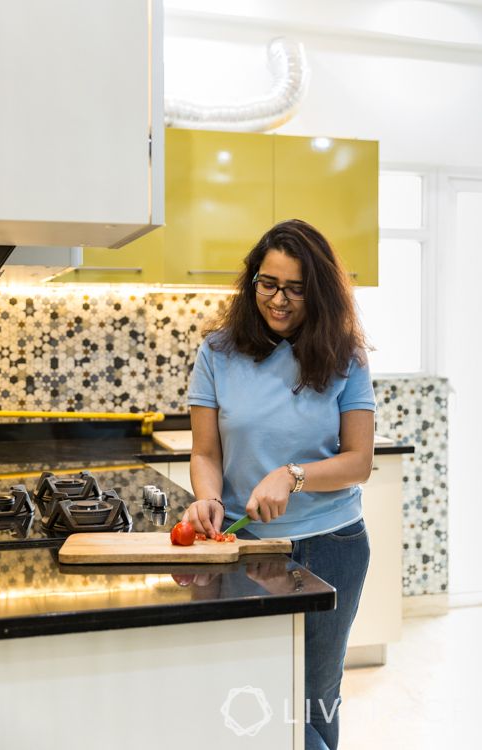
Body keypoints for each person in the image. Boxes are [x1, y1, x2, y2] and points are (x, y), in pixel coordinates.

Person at [184, 218, 375, 750]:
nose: (280, 300)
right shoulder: (217, 353)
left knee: (314, 693)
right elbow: (205, 451)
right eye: (268, 284)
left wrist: (292, 475)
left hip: (330, 543)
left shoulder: (345, 356)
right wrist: (209, 497)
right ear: (252, 282)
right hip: (245, 546)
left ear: (318, 293)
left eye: (296, 289)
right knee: (246, 688)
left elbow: (359, 461)